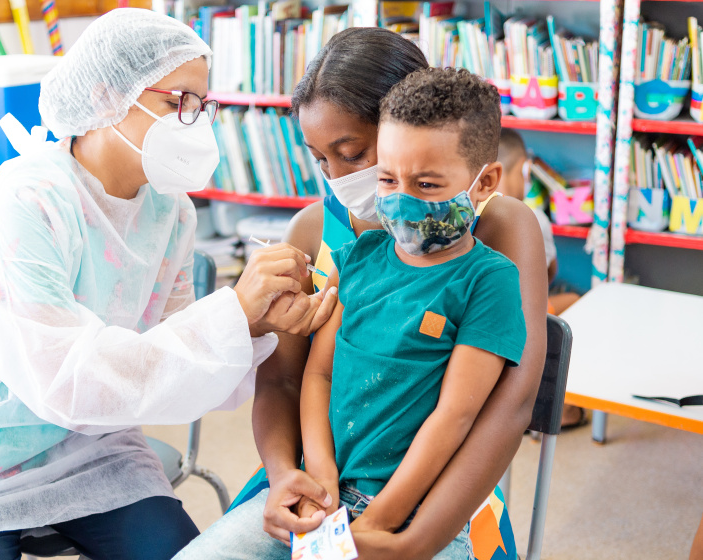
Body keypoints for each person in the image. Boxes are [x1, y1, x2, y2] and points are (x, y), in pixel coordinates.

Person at [0, 9, 336, 560]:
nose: (196, 124)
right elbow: (66, 383)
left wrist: (256, 321)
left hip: (93, 450)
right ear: (108, 94)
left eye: (201, 106)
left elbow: (170, 359)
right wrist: (234, 310)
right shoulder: (22, 206)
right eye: (177, 103)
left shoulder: (173, 213)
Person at [175, 27, 547, 560]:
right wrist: (285, 474)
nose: (337, 179)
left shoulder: (500, 230)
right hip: (319, 479)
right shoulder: (312, 233)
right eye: (320, 159)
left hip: (438, 498)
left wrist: (415, 537)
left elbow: (509, 406)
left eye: (351, 154)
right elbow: (284, 380)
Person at [295, 67, 527, 559]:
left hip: (412, 511)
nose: (400, 200)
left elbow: (455, 415)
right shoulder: (355, 258)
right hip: (324, 497)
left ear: (483, 182)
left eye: (425, 184)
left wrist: (377, 524)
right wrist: (320, 478)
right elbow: (316, 375)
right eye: (386, 178)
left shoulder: (490, 279)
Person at [496, 129, 586, 429]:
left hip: (488, 319)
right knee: (573, 301)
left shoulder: (466, 214)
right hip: (523, 322)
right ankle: (563, 404)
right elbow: (548, 274)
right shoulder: (534, 217)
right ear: (524, 168)